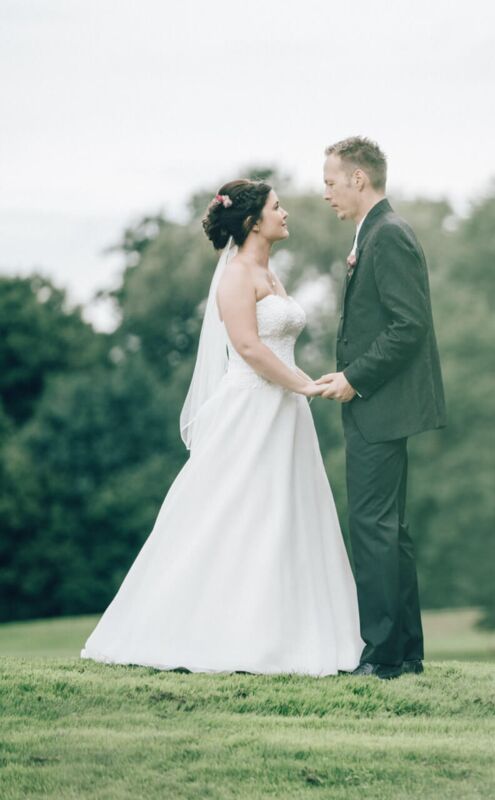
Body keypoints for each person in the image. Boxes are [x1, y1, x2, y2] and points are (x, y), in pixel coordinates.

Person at [80, 179, 365, 676]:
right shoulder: (237, 275)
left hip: (285, 413)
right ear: (254, 221)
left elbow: (275, 349)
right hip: (252, 409)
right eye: (277, 208)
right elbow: (250, 349)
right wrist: (302, 387)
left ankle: (291, 635)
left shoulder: (270, 274)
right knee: (236, 514)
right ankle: (209, 632)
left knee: (287, 514)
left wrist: (302, 386)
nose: (285, 214)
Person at [316, 136, 447, 680]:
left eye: (330, 183)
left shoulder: (387, 235)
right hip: (381, 406)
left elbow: (408, 325)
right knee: (389, 529)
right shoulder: (375, 232)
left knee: (373, 527)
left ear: (358, 179)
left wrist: (354, 378)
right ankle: (406, 653)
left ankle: (381, 657)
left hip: (380, 404)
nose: (326, 194)